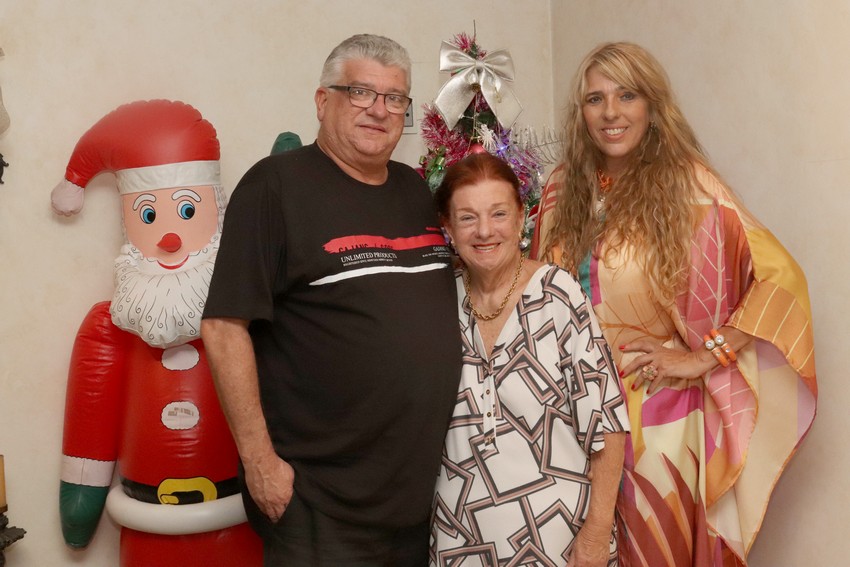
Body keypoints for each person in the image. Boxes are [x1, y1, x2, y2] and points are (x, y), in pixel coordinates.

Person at [531, 42, 817, 566]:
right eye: (595, 98)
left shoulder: (690, 186)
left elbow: (779, 277)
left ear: (652, 106)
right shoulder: (560, 188)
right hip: (569, 420)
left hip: (654, 424)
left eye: (627, 95)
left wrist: (705, 355)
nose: (611, 112)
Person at [201, 34, 462, 566]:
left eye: (395, 98)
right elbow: (224, 327)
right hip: (319, 501)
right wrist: (260, 463)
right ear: (323, 101)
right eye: (361, 92)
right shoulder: (274, 187)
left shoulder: (415, 190)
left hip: (415, 502)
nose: (379, 110)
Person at [51, 99, 261, 566]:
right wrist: (80, 499)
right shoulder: (111, 325)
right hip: (146, 525)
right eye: (149, 216)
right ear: (129, 223)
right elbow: (91, 411)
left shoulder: (245, 313)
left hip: (240, 519)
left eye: (186, 210)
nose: (169, 238)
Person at [430, 152, 629, 567]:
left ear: (522, 217)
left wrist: (597, 532)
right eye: (467, 218)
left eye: (498, 213)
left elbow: (608, 424)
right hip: (458, 538)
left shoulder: (557, 294)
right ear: (447, 227)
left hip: (558, 539)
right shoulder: (438, 300)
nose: (485, 231)